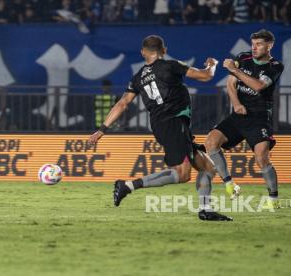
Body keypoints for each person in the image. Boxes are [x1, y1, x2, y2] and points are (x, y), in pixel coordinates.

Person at [88, 35, 232, 221]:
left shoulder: (138, 77)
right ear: (163, 50)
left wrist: (102, 129)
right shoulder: (171, 65)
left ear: (143, 53)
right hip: (172, 123)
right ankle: (128, 185)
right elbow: (206, 76)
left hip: (166, 124)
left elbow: (122, 103)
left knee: (208, 168)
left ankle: (206, 210)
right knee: (182, 174)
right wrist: (212, 64)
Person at [205, 29, 284, 209]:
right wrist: (235, 103)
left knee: (261, 158)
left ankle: (273, 200)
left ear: (269, 45)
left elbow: (258, 85)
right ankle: (230, 184)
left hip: (259, 117)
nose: (254, 48)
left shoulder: (275, 66)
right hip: (238, 115)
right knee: (211, 142)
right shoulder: (243, 57)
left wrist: (234, 69)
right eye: (253, 44)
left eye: (259, 44)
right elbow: (230, 83)